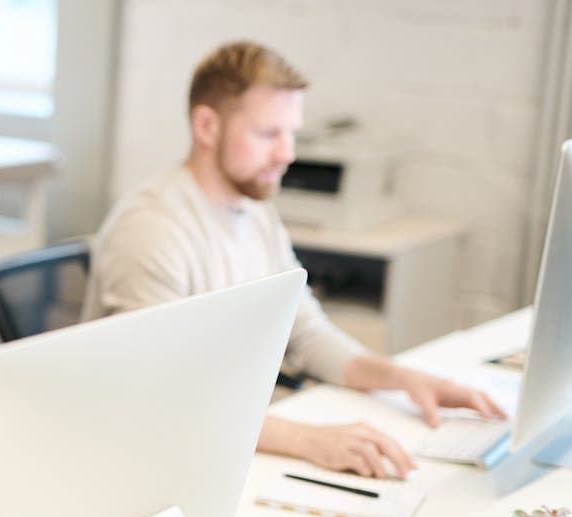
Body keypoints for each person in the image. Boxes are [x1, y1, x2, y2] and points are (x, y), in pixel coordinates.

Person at [82, 40, 506, 478]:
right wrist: (308, 441)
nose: (287, 153)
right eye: (268, 134)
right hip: (157, 457)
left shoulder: (255, 212)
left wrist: (406, 380)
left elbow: (304, 333)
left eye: (291, 134)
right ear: (207, 126)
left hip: (226, 437)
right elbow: (160, 395)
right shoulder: (153, 228)